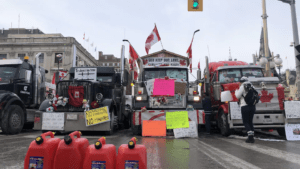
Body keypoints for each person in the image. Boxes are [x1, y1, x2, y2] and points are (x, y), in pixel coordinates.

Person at [235, 76, 255, 143]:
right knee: (250, 121)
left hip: (244, 106)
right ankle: (252, 136)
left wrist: (236, 91)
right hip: (252, 106)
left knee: (245, 121)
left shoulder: (242, 86)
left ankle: (250, 137)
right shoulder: (252, 86)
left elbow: (238, 96)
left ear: (241, 82)